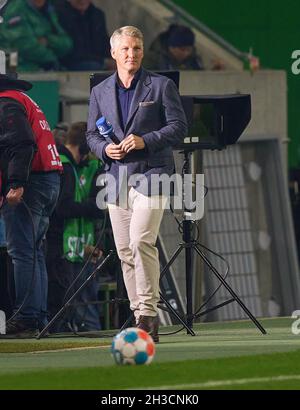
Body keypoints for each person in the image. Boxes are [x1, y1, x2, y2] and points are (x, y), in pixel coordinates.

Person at [86, 26, 188, 342]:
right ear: (114, 52)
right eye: (126, 49)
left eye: (137, 49)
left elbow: (179, 127)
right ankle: (138, 315)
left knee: (141, 240)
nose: (132, 54)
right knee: (124, 250)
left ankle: (148, 314)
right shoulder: (99, 91)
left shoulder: (161, 86)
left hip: (153, 173)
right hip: (117, 178)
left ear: (142, 51)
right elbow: (91, 135)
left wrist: (145, 140)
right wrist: (105, 149)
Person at [0, 73, 62, 337]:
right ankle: (38, 317)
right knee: (33, 252)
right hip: (49, 179)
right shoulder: (23, 99)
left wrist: (15, 183)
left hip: (31, 183)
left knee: (22, 252)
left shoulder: (5, 103)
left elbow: (22, 143)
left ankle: (26, 317)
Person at [46, 122, 105, 332]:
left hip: (78, 248)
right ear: (84, 147)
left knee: (80, 304)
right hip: (64, 249)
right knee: (74, 305)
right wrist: (94, 206)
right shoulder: (66, 168)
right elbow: (63, 207)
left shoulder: (71, 165)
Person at [0, 0, 72, 72]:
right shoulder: (16, 9)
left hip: (44, 68)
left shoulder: (50, 9)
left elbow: (66, 43)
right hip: (18, 68)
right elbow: (23, 45)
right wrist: (51, 57)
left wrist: (48, 41)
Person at [55, 0, 113, 71]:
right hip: (71, 63)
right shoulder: (61, 14)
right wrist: (104, 62)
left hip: (96, 61)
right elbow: (74, 51)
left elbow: (104, 42)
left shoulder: (97, 14)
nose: (82, 1)